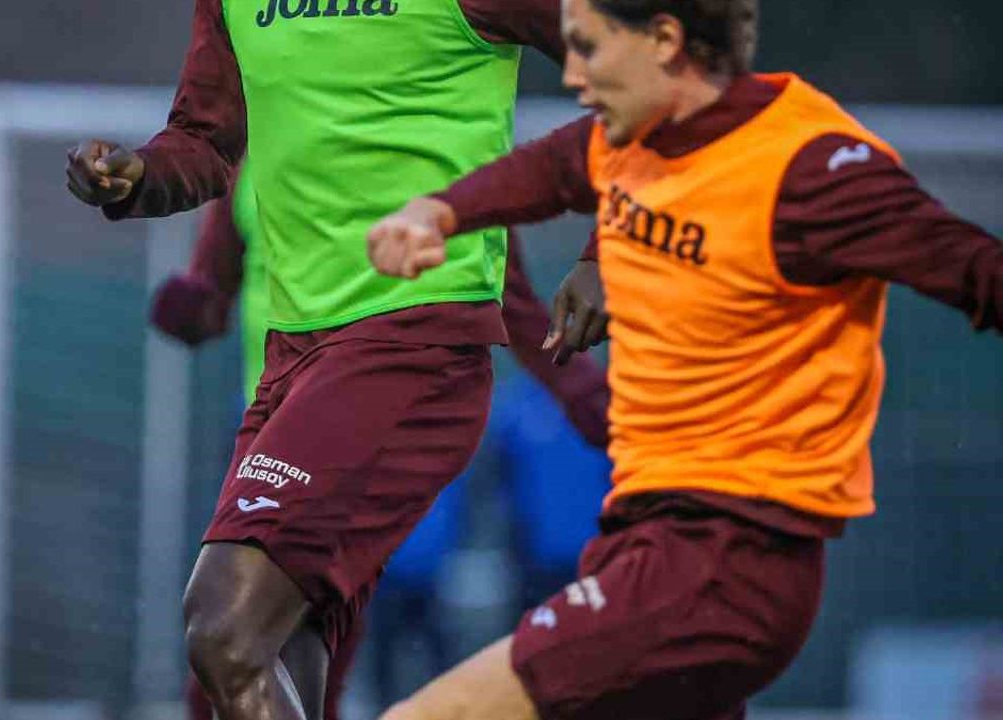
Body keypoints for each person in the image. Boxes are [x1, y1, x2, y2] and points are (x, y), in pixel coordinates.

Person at [365, 0, 1003, 717]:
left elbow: (978, 272)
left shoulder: (811, 167)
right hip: (647, 542)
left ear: (665, 40)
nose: (572, 75)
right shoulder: (637, 139)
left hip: (725, 559)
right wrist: (440, 212)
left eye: (589, 48)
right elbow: (546, 169)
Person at [151, 161, 610, 719]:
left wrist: (591, 401)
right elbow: (213, 288)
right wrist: (193, 305)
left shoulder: (433, 150)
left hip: (361, 436)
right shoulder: (253, 159)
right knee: (246, 650)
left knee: (253, 641)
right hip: (261, 433)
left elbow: (510, 298)